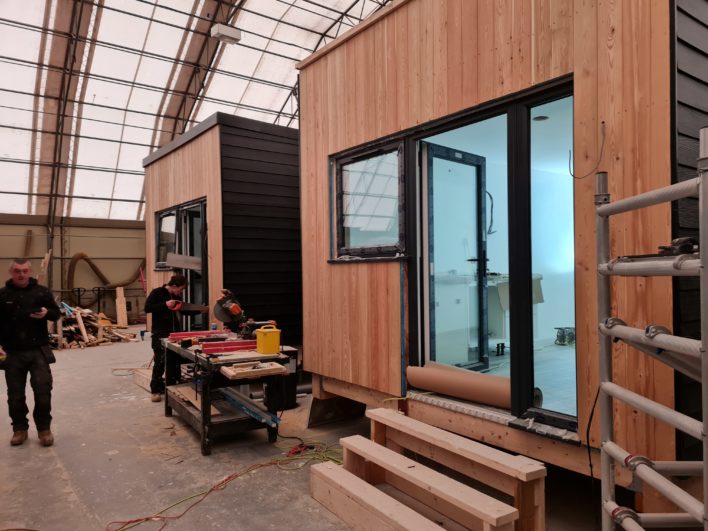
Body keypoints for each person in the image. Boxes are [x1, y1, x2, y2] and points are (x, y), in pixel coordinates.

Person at [0, 258, 61, 446]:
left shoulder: (41, 292)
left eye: (25, 271)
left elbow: (56, 313)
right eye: (17, 271)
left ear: (29, 272)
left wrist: (46, 313)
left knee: (43, 391)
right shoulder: (2, 294)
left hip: (38, 350)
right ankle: (19, 429)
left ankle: (44, 429)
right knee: (15, 394)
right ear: (11, 272)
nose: (21, 274)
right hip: (12, 352)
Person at [144, 274, 187, 402]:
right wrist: (165, 304)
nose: (181, 292)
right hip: (160, 333)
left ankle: (172, 385)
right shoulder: (157, 292)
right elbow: (147, 308)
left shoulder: (176, 296)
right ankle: (155, 390)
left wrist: (199, 310)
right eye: (181, 289)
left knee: (174, 360)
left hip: (175, 334)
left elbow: (184, 310)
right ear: (174, 286)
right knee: (160, 361)